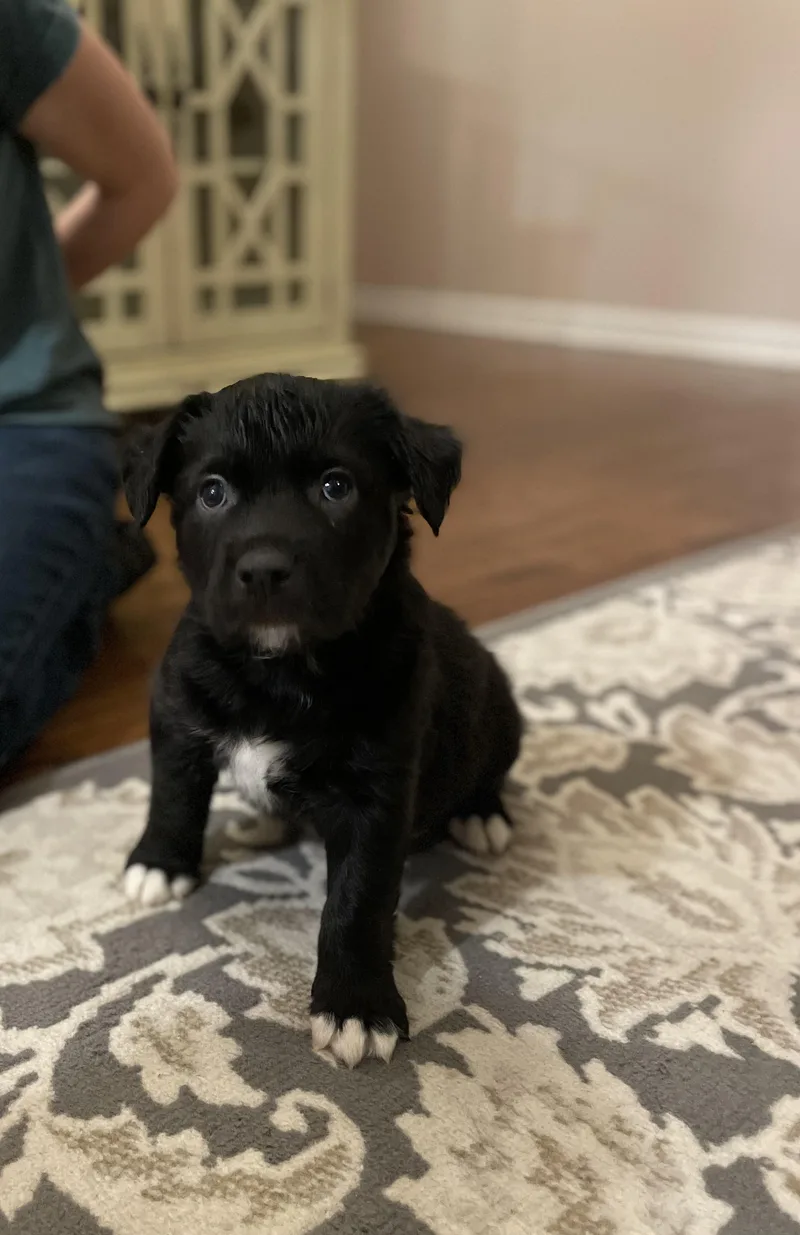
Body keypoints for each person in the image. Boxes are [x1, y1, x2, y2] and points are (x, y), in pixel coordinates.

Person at [0, 0, 178, 770]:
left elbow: (142, 177)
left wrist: (30, 302)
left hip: (24, 419)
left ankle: (84, 560)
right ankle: (83, 561)